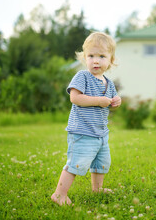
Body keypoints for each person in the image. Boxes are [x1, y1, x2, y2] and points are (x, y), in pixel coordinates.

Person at [51, 32, 122, 206]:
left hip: (100, 134)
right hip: (82, 132)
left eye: (101, 56)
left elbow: (111, 102)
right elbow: (75, 98)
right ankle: (59, 194)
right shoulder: (82, 77)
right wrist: (98, 101)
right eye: (91, 56)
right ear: (84, 58)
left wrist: (116, 101)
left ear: (110, 60)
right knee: (77, 163)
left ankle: (97, 188)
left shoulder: (108, 83)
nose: (95, 60)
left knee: (101, 162)